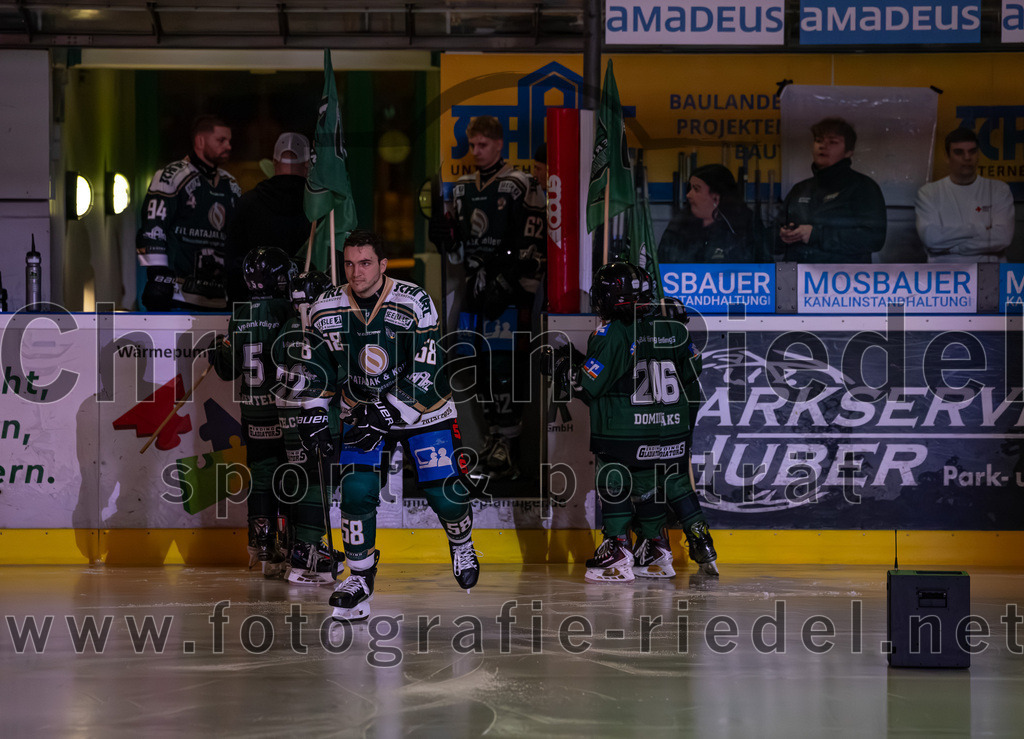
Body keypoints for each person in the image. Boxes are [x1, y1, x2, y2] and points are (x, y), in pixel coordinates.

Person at [297, 230, 479, 621]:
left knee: (444, 493)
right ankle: (359, 578)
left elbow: (428, 365)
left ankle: (461, 540)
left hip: (422, 409)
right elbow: (318, 366)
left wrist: (390, 409)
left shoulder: (414, 301)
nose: (355, 271)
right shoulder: (325, 307)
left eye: (365, 263)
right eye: (348, 263)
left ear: (382, 265)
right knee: (356, 492)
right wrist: (313, 410)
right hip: (361, 410)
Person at [551, 263, 718, 581]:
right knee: (652, 483)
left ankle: (616, 550)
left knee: (613, 480)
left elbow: (588, 386)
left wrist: (561, 365)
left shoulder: (613, 331)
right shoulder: (673, 325)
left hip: (626, 431)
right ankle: (656, 545)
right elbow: (692, 372)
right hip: (667, 428)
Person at [428, 115, 545, 479]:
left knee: (507, 369)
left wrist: (515, 283)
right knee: (477, 366)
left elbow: (534, 241)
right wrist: (446, 238)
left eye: (482, 145)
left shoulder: (519, 184)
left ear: (499, 145)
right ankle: (493, 439)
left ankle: (508, 445)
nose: (475, 151)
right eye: (472, 145)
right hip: (475, 291)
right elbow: (458, 251)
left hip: (510, 293)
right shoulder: (461, 189)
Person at [208, 247, 297, 577]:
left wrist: (218, 352)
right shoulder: (287, 308)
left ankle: (261, 546)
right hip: (283, 410)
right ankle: (289, 545)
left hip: (253, 411)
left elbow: (227, 371)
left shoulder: (241, 312)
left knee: (261, 474)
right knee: (289, 474)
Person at [272, 268, 345, 585]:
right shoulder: (323, 327)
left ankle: (293, 547)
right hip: (319, 412)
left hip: (287, 413)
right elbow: (336, 372)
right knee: (320, 480)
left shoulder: (286, 326)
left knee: (299, 477)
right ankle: (308, 551)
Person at [137, 114, 240, 311]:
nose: (228, 146)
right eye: (221, 140)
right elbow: (153, 228)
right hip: (179, 297)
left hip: (220, 298)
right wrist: (159, 275)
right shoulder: (171, 175)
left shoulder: (231, 184)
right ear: (200, 141)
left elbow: (237, 237)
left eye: (229, 141)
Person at [777, 117, 887, 263]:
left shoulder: (863, 187)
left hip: (840, 279)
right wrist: (782, 234)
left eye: (833, 142)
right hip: (792, 274)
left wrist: (816, 235)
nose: (823, 146)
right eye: (818, 140)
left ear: (849, 152)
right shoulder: (800, 189)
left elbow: (874, 239)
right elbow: (772, 237)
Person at [224, 132, 313, 303]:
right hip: (304, 305)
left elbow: (232, 263)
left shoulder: (248, 203)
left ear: (274, 162)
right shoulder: (319, 208)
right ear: (307, 164)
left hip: (255, 306)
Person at [915, 127, 1015, 263]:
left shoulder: (999, 190)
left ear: (978, 154)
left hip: (990, 274)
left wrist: (954, 249)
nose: (967, 157)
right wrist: (980, 228)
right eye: (958, 152)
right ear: (946, 156)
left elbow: (1002, 238)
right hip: (944, 276)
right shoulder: (928, 193)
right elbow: (931, 239)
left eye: (972, 151)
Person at [658, 163, 767, 263]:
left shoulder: (745, 224)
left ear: (716, 197)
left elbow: (764, 269)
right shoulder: (680, 224)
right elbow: (662, 267)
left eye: (696, 189)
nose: (688, 195)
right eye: (689, 189)